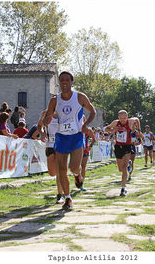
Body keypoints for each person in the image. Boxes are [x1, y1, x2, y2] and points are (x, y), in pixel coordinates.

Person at [43, 71, 96, 211]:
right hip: (61, 137)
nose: (64, 82)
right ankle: (68, 198)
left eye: (67, 79)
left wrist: (86, 125)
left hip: (76, 136)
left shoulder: (79, 97)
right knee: (61, 170)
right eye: (62, 80)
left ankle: (78, 175)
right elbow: (47, 117)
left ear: (72, 82)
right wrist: (46, 120)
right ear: (59, 83)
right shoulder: (55, 100)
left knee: (73, 167)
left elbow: (93, 111)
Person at [104, 110, 140, 197]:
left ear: (127, 117)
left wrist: (139, 130)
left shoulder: (130, 121)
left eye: (124, 118)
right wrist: (113, 129)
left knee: (124, 169)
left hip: (127, 146)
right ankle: (128, 165)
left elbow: (137, 120)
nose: (123, 120)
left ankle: (123, 189)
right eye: (121, 118)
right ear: (118, 118)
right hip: (118, 146)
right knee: (120, 169)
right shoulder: (115, 123)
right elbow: (106, 129)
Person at [37, 109, 65, 204]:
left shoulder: (64, 112)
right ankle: (62, 185)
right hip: (50, 145)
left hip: (61, 145)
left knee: (60, 171)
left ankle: (60, 195)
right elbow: (40, 126)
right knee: (52, 173)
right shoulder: (45, 113)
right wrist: (43, 133)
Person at [80, 121, 96, 191]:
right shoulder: (74, 128)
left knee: (83, 167)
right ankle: (77, 178)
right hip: (76, 150)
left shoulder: (88, 130)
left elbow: (94, 139)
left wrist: (90, 146)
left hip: (85, 150)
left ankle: (82, 184)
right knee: (76, 167)